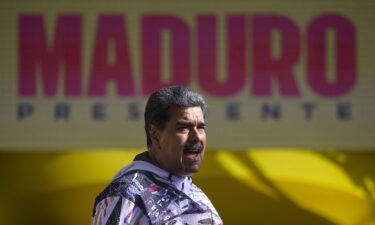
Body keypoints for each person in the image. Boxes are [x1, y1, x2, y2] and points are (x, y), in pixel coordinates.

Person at [92, 86, 223, 225]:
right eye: (184, 127)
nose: (196, 137)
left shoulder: (190, 189)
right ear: (156, 135)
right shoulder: (126, 194)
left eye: (201, 127)